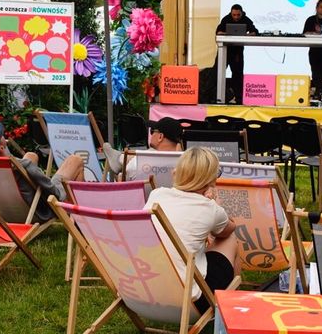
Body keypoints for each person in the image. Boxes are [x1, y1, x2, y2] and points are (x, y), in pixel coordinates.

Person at [144, 147, 239, 313]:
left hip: (148, 292)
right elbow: (229, 229)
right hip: (190, 300)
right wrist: (216, 204)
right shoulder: (208, 207)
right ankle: (236, 304)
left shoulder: (156, 195)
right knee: (230, 239)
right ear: (210, 179)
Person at [0, 120, 84, 222]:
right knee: (75, 160)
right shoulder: (21, 165)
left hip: (4, 212)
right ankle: (80, 217)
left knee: (31, 155)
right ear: (1, 148)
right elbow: (53, 191)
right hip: (37, 212)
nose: (3, 135)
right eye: (0, 136)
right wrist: (61, 197)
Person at [102, 116, 183, 178]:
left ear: (160, 137)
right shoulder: (186, 164)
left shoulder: (140, 163)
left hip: (144, 195)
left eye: (152, 131)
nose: (151, 135)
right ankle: (120, 158)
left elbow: (126, 179)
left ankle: (120, 159)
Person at [215, 4, 258, 104]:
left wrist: (246, 35)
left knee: (238, 75)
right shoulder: (226, 19)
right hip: (225, 50)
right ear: (231, 13)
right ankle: (216, 96)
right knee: (217, 72)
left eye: (238, 15)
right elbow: (218, 32)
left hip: (237, 52)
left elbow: (255, 32)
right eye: (234, 15)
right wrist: (226, 34)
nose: (236, 17)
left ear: (242, 13)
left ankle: (238, 99)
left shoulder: (246, 20)